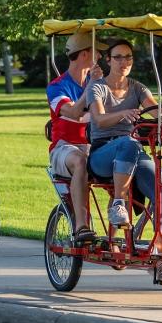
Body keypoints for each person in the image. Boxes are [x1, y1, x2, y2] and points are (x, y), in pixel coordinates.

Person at [87, 38, 162, 283]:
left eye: (128, 57)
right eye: (118, 57)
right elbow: (99, 120)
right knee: (128, 142)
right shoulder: (97, 87)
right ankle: (118, 203)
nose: (124, 62)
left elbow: (155, 110)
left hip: (135, 151)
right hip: (102, 153)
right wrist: (122, 114)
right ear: (108, 60)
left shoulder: (137, 87)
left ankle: (161, 259)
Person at [47, 32, 107, 244]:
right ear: (84, 55)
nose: (99, 57)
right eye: (96, 52)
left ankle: (119, 231)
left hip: (94, 146)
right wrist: (91, 88)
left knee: (124, 160)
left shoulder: (99, 83)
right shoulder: (57, 86)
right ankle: (81, 226)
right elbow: (73, 113)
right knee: (80, 160)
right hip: (65, 148)